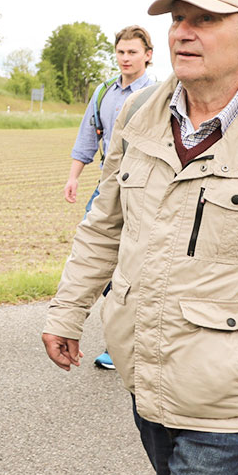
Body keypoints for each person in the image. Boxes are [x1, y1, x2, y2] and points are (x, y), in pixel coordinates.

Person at [43, 0, 238, 475]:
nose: (184, 33)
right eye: (178, 19)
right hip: (148, 372)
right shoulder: (140, 112)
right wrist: (67, 311)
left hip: (230, 391)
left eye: (206, 20)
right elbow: (103, 224)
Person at [63, 25, 154, 369]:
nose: (126, 58)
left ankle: (128, 343)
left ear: (148, 54)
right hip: (107, 188)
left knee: (137, 266)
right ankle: (120, 338)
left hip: (146, 189)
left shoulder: (159, 94)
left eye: (133, 52)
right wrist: (74, 178)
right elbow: (87, 137)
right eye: (121, 52)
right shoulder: (103, 93)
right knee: (99, 262)